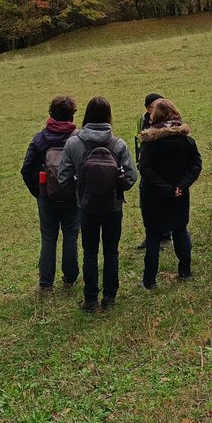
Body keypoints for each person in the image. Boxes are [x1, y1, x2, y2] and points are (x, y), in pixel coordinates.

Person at [57, 95, 138, 313]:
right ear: (109, 116)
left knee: (90, 252)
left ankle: (90, 300)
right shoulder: (118, 144)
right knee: (111, 251)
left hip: (86, 207)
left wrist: (79, 193)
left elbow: (63, 177)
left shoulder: (73, 143)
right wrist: (116, 189)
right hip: (113, 207)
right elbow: (131, 177)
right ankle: (110, 298)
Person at [137, 99, 202, 288]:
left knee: (153, 236)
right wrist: (181, 186)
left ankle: (149, 280)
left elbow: (145, 169)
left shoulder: (149, 143)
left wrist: (164, 188)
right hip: (179, 194)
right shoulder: (186, 140)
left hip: (153, 195)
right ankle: (185, 270)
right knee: (180, 230)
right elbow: (196, 164)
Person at [20, 95, 80, 294]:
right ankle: (70, 278)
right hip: (72, 195)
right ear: (72, 115)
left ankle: (46, 283)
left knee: (48, 237)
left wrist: (38, 191)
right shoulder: (78, 138)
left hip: (46, 195)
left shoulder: (40, 138)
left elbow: (26, 168)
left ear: (51, 114)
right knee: (70, 236)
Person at [135, 92, 172, 250]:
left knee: (164, 202)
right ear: (148, 108)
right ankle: (150, 235)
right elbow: (138, 142)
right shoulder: (142, 121)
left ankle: (166, 236)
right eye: (155, 106)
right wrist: (139, 161)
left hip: (163, 170)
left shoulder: (170, 121)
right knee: (146, 204)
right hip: (146, 169)